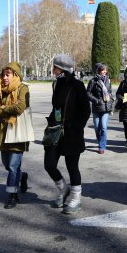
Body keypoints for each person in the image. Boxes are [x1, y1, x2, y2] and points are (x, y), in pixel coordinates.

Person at [44, 54, 91, 214]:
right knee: (49, 164)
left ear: (62, 69)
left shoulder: (77, 85)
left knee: (72, 167)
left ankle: (76, 199)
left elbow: (86, 109)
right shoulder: (57, 84)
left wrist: (76, 126)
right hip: (56, 131)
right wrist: (51, 121)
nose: (53, 70)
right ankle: (64, 189)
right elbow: (56, 108)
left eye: (55, 67)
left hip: (72, 133)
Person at [0, 61, 31, 209]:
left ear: (15, 75)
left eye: (8, 74)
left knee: (13, 166)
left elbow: (20, 108)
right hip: (3, 132)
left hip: (17, 131)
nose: (5, 77)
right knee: (7, 165)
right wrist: (7, 109)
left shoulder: (23, 88)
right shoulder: (0, 89)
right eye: (3, 74)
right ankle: (22, 177)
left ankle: (12, 195)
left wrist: (3, 108)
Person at [86, 63, 114, 154]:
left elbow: (110, 92)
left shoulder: (108, 81)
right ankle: (100, 141)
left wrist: (111, 100)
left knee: (104, 127)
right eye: (103, 71)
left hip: (106, 107)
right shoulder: (93, 81)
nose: (104, 72)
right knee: (97, 127)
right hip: (96, 107)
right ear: (98, 71)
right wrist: (96, 100)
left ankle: (102, 146)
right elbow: (88, 93)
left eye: (105, 71)